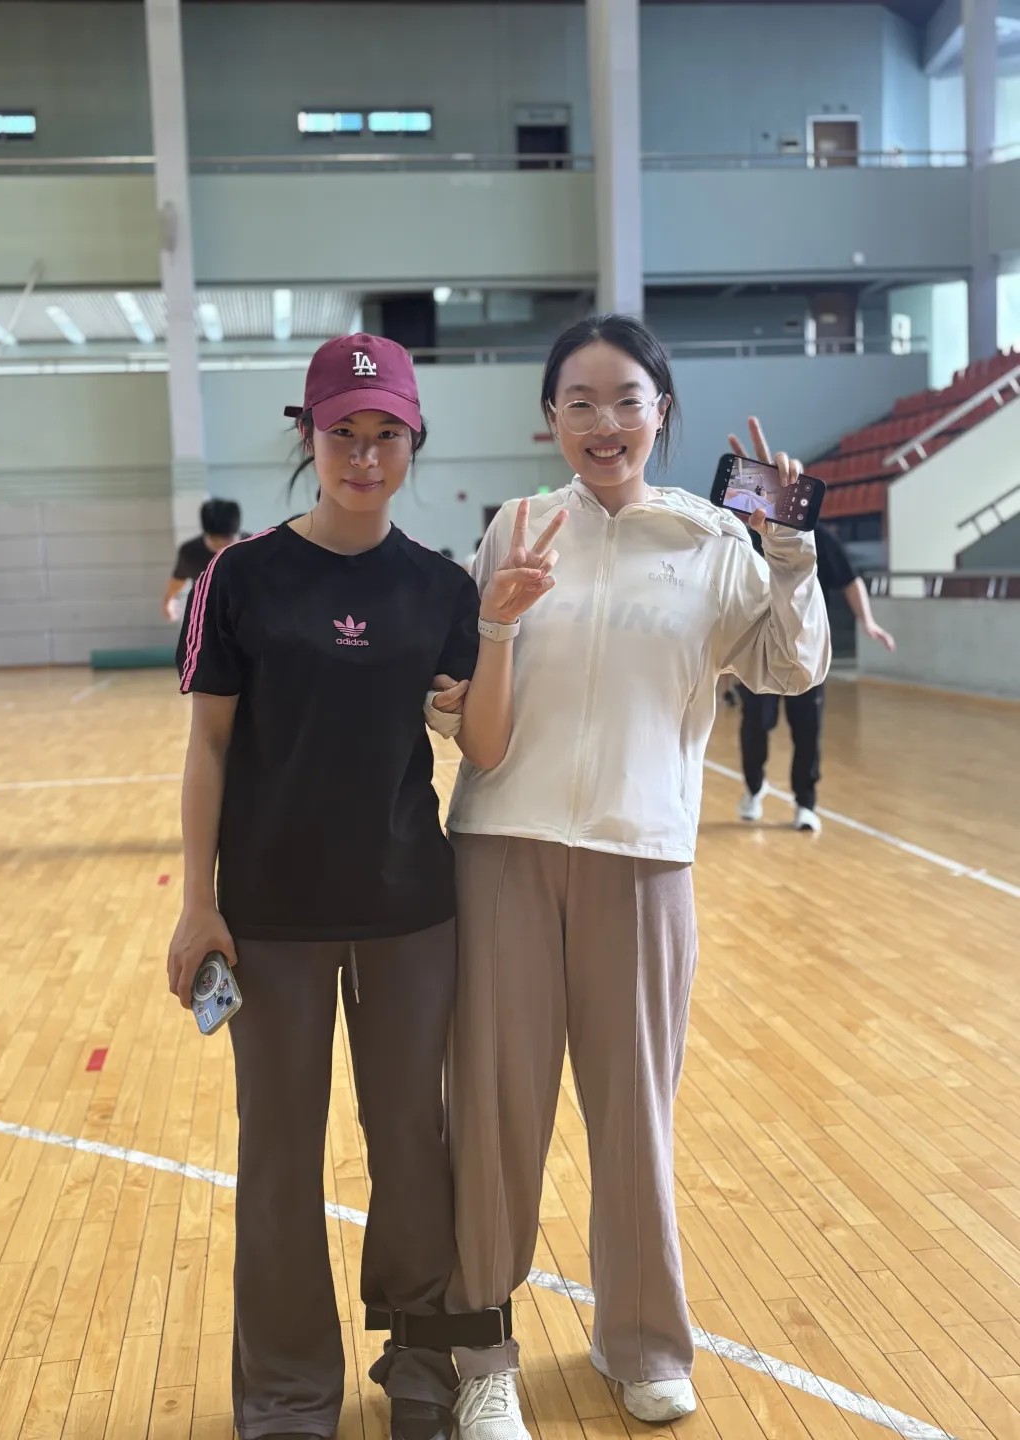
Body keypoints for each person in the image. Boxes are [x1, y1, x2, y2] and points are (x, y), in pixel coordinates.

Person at [166, 333, 562, 1440]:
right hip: (272, 920)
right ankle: (288, 1389)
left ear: (413, 441)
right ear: (310, 435)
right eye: (344, 432)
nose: (366, 454)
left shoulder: (438, 587)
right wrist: (198, 902)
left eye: (388, 433)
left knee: (412, 1144)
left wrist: (498, 629)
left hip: (409, 913)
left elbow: (481, 740)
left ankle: (420, 1360)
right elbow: (208, 747)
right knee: (278, 1158)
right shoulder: (242, 578)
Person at [441, 314, 830, 1438]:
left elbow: (790, 665)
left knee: (634, 1120)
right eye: (579, 402)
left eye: (626, 400)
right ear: (550, 418)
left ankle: (643, 1341)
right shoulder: (518, 526)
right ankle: (482, 1356)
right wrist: (460, 678)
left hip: (646, 861)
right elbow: (467, 688)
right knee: (496, 1118)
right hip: (502, 852)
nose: (603, 422)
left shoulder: (712, 542)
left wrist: (790, 550)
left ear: (663, 412)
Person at [731, 445, 896, 833]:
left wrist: (868, 621)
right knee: (755, 725)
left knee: (807, 730)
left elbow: (850, 580)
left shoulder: (819, 537)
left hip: (806, 652)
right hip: (760, 648)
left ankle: (806, 803)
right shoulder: (747, 536)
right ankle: (753, 788)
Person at [162, 498, 244, 620]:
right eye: (216, 543)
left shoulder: (254, 548)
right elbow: (178, 580)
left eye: (228, 542)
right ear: (207, 536)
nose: (222, 548)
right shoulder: (190, 552)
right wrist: (169, 600)